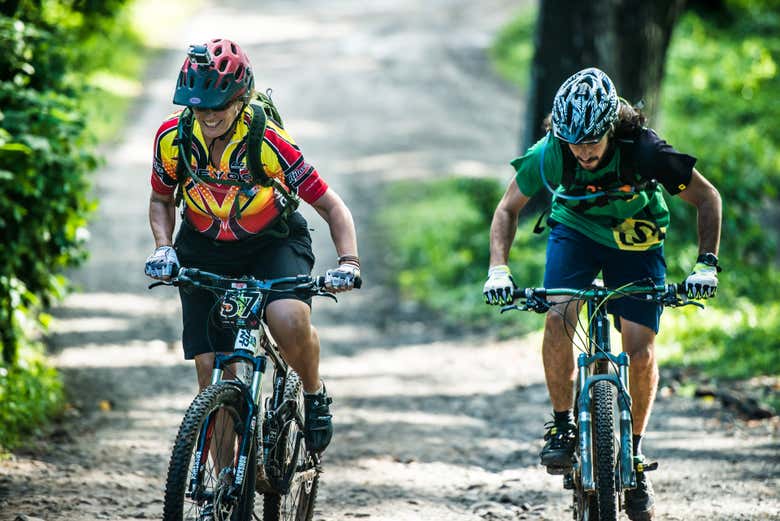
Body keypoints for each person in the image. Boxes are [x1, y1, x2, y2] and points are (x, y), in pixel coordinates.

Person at [483, 67, 721, 520]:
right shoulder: (551, 154)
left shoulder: (646, 150)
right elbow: (507, 209)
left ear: (612, 127)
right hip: (575, 232)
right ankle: (562, 426)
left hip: (637, 237)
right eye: (574, 141)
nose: (584, 151)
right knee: (558, 315)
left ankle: (632, 453)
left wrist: (705, 264)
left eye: (592, 140)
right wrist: (499, 269)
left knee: (640, 346)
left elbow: (708, 199)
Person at [144, 38, 360, 455]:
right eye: (199, 107)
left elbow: (331, 205)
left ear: (241, 99)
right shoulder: (173, 137)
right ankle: (222, 495)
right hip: (204, 245)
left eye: (218, 106)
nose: (208, 116)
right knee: (212, 370)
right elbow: (160, 199)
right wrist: (162, 247)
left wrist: (349, 261)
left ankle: (313, 394)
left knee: (287, 318)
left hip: (272, 241)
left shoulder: (267, 140)